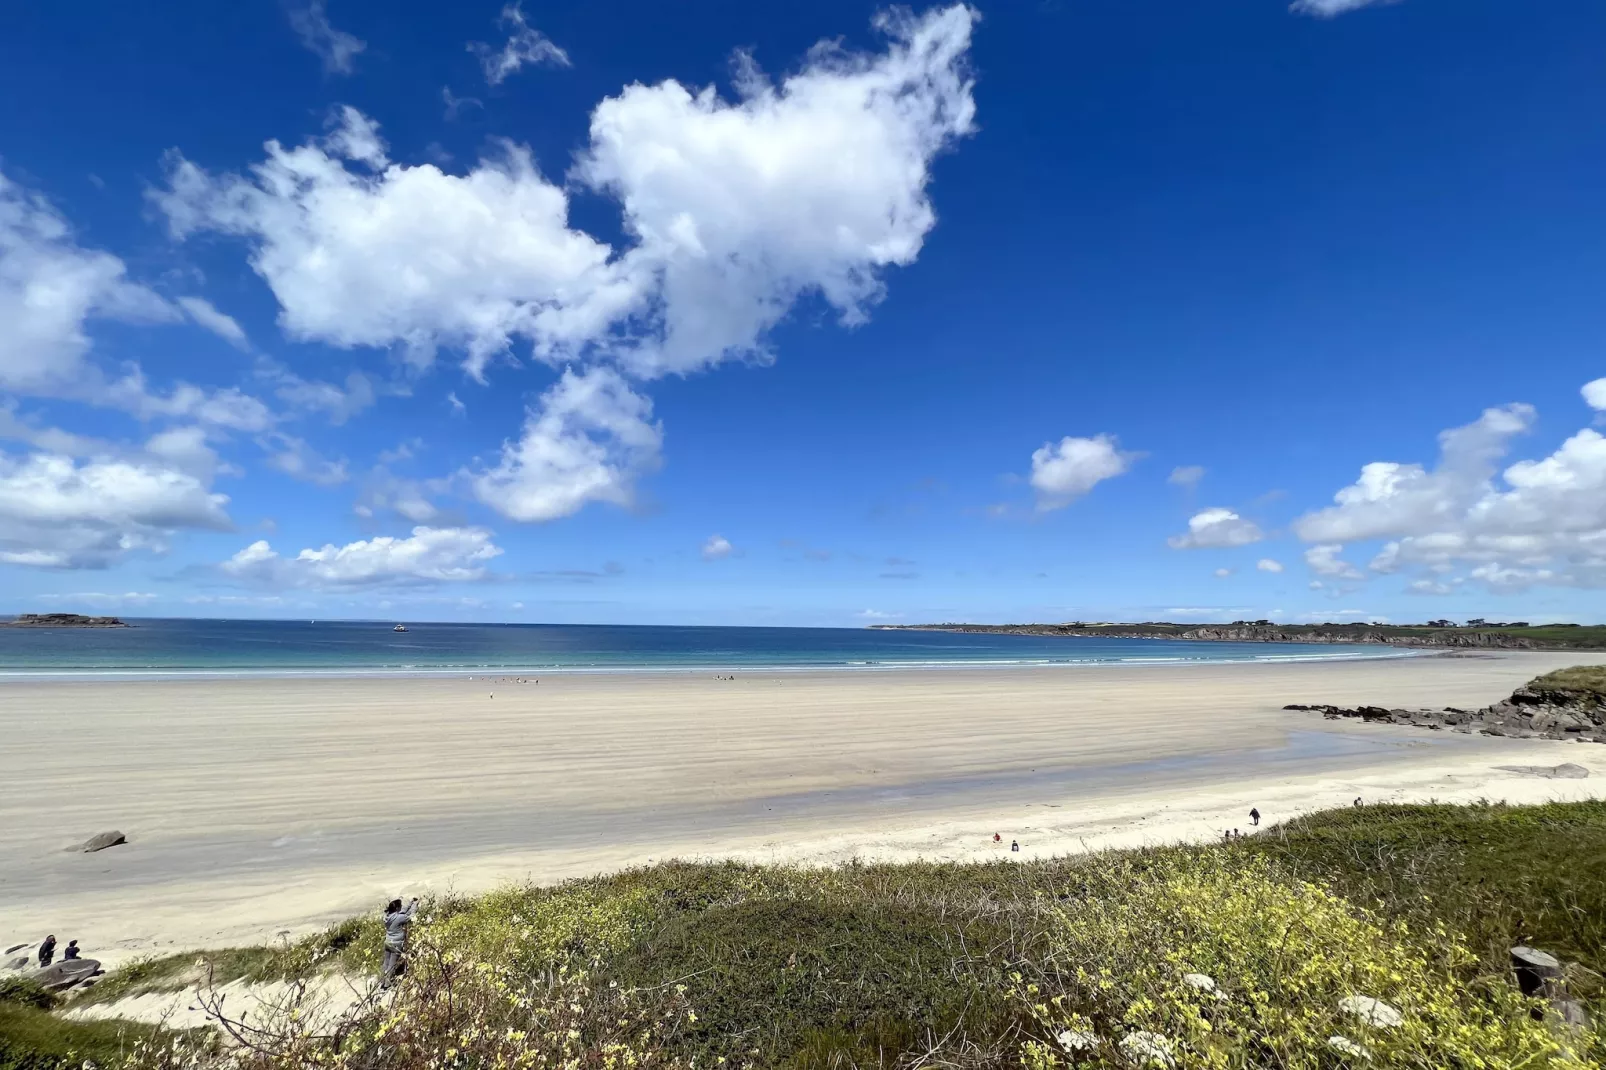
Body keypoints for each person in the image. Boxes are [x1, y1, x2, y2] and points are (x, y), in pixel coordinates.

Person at [380, 897, 419, 988]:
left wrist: (411, 902)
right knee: (392, 965)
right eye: (400, 906)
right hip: (396, 944)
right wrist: (415, 905)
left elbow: (402, 912)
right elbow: (411, 916)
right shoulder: (399, 918)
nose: (401, 907)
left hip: (388, 941)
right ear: (397, 908)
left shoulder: (387, 916)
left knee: (386, 963)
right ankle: (387, 985)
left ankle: (382, 982)